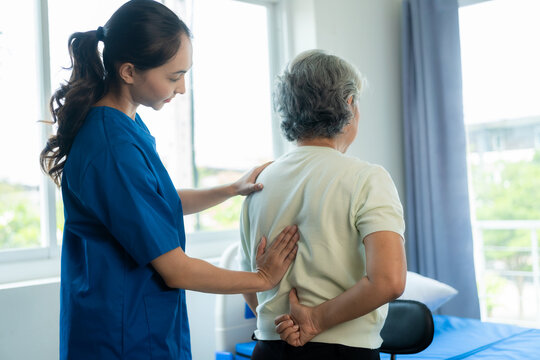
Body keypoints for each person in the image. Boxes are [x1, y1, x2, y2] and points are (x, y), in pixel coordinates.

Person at [39, 1, 299, 359]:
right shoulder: (111, 147)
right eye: (174, 77)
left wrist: (229, 189)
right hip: (122, 338)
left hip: (139, 326)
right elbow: (176, 270)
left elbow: (153, 201)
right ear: (129, 71)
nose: (181, 90)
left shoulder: (125, 125)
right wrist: (262, 279)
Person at [239, 49, 407, 360]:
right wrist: (315, 320)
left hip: (269, 348)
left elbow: (248, 280)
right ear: (349, 104)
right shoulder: (366, 179)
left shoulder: (258, 182)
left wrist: (277, 325)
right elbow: (389, 280)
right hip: (342, 352)